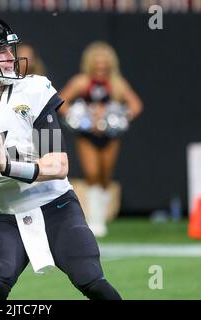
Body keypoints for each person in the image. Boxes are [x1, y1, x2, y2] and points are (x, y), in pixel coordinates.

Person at [0, 16, 121, 300]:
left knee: (91, 281)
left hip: (57, 207)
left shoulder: (32, 92)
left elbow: (58, 165)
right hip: (5, 217)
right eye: (0, 50)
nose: (10, 57)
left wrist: (6, 165)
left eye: (9, 49)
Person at [58, 41, 142, 237]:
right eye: (97, 62)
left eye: (105, 62)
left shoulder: (117, 83)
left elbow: (136, 105)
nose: (101, 66)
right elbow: (61, 102)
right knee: (92, 173)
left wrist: (116, 117)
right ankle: (95, 220)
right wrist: (82, 116)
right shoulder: (81, 81)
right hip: (87, 135)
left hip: (110, 135)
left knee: (105, 175)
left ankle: (101, 215)